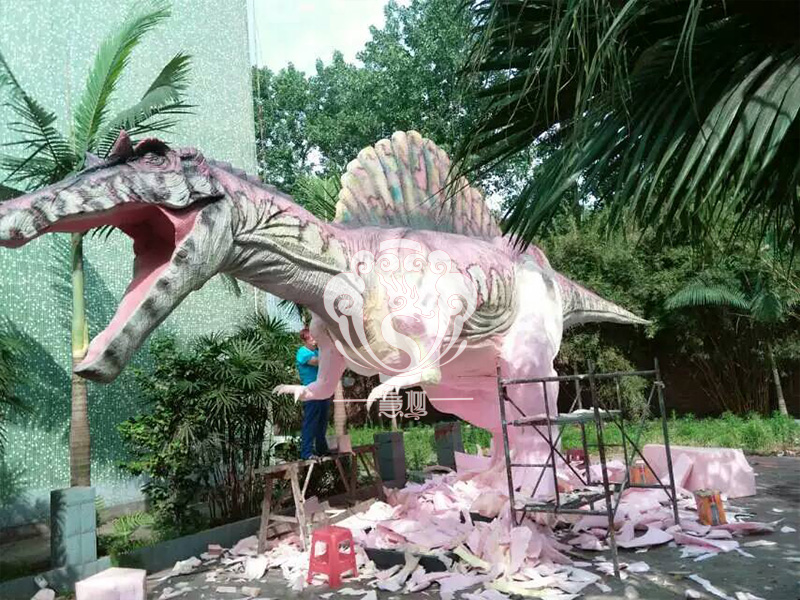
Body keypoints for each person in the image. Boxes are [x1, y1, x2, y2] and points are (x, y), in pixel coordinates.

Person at [296, 327, 331, 460]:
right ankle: (306, 453)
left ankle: (322, 449)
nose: (315, 340)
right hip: (311, 391)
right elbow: (317, 362)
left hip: (322, 391)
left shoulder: (317, 351)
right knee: (310, 421)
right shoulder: (302, 352)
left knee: (322, 421)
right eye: (312, 337)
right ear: (305, 339)